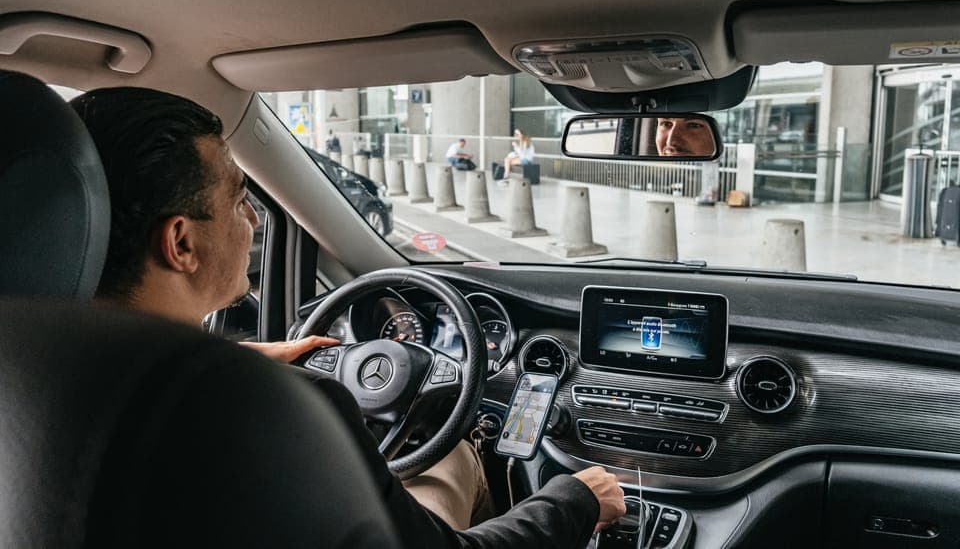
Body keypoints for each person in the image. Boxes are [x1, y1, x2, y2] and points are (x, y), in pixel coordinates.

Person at [71, 87, 627, 549]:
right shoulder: (276, 414)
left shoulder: (33, 367)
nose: (253, 220)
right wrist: (573, 500)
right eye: (240, 200)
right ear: (182, 243)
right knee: (452, 456)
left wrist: (239, 358)